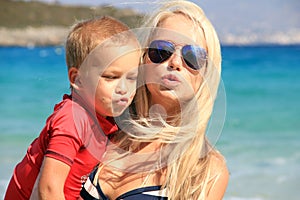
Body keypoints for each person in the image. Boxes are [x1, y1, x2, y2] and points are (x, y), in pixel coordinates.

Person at [80, 0, 229, 200]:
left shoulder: (206, 171)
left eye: (192, 57)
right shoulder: (100, 129)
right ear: (144, 59)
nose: (175, 63)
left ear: (206, 75)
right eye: (162, 51)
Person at [4, 16, 141, 200]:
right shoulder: (73, 118)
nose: (124, 89)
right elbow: (49, 190)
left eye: (131, 78)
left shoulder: (106, 119)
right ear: (77, 79)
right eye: (110, 77)